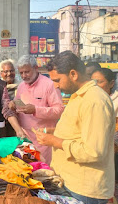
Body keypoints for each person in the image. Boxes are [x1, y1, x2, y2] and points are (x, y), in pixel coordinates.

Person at [36, 51, 115, 203]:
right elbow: (78, 132)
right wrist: (55, 133)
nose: (56, 86)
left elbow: (93, 151)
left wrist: (55, 141)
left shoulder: (94, 101)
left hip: (86, 189)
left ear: (73, 74)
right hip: (72, 182)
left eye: (57, 80)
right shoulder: (78, 96)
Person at [9, 55, 64, 165]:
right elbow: (18, 105)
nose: (24, 76)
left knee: (44, 172)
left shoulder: (49, 85)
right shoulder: (21, 87)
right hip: (25, 139)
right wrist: (13, 105)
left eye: (27, 72)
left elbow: (59, 111)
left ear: (36, 68)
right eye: (21, 73)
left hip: (43, 140)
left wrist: (35, 110)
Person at [91, 68, 118, 200]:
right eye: (93, 82)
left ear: (111, 83)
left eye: (99, 82)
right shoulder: (93, 99)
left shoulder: (115, 101)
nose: (95, 85)